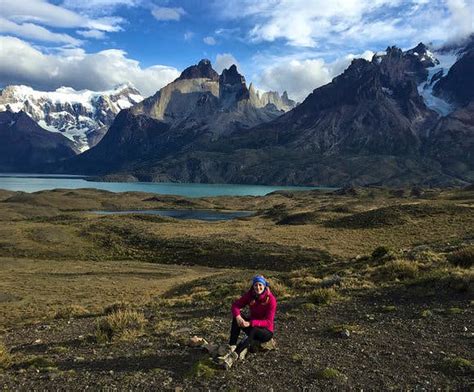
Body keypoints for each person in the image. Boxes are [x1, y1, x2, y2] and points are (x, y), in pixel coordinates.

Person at [218, 275, 277, 369]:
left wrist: (250, 323)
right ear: (253, 286)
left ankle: (233, 357)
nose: (258, 287)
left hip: (266, 332)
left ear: (265, 286)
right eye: (256, 285)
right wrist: (238, 317)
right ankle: (231, 346)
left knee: (253, 329)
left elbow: (268, 322)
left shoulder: (271, 300)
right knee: (236, 319)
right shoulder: (250, 295)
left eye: (260, 285)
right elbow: (235, 306)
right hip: (253, 325)